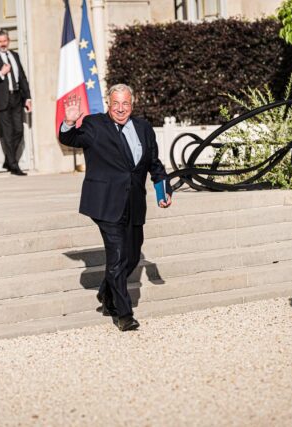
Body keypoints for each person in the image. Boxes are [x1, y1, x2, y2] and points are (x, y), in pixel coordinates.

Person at [59, 84, 172, 332]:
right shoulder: (94, 124)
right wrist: (68, 122)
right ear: (109, 103)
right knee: (118, 255)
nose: (121, 109)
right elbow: (70, 138)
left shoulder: (143, 128)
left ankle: (106, 293)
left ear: (133, 104)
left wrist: (163, 191)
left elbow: (154, 164)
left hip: (134, 202)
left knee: (132, 255)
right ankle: (123, 313)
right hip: (105, 202)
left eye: (126, 104)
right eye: (116, 103)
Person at [0, 31, 32, 176]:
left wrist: (27, 97)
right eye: (0, 41)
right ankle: (14, 166)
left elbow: (22, 78)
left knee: (19, 131)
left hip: (16, 97)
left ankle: (8, 160)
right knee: (8, 133)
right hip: (2, 100)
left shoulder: (14, 56)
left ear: (8, 41)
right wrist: (1, 73)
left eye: (5, 41)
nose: (3, 43)